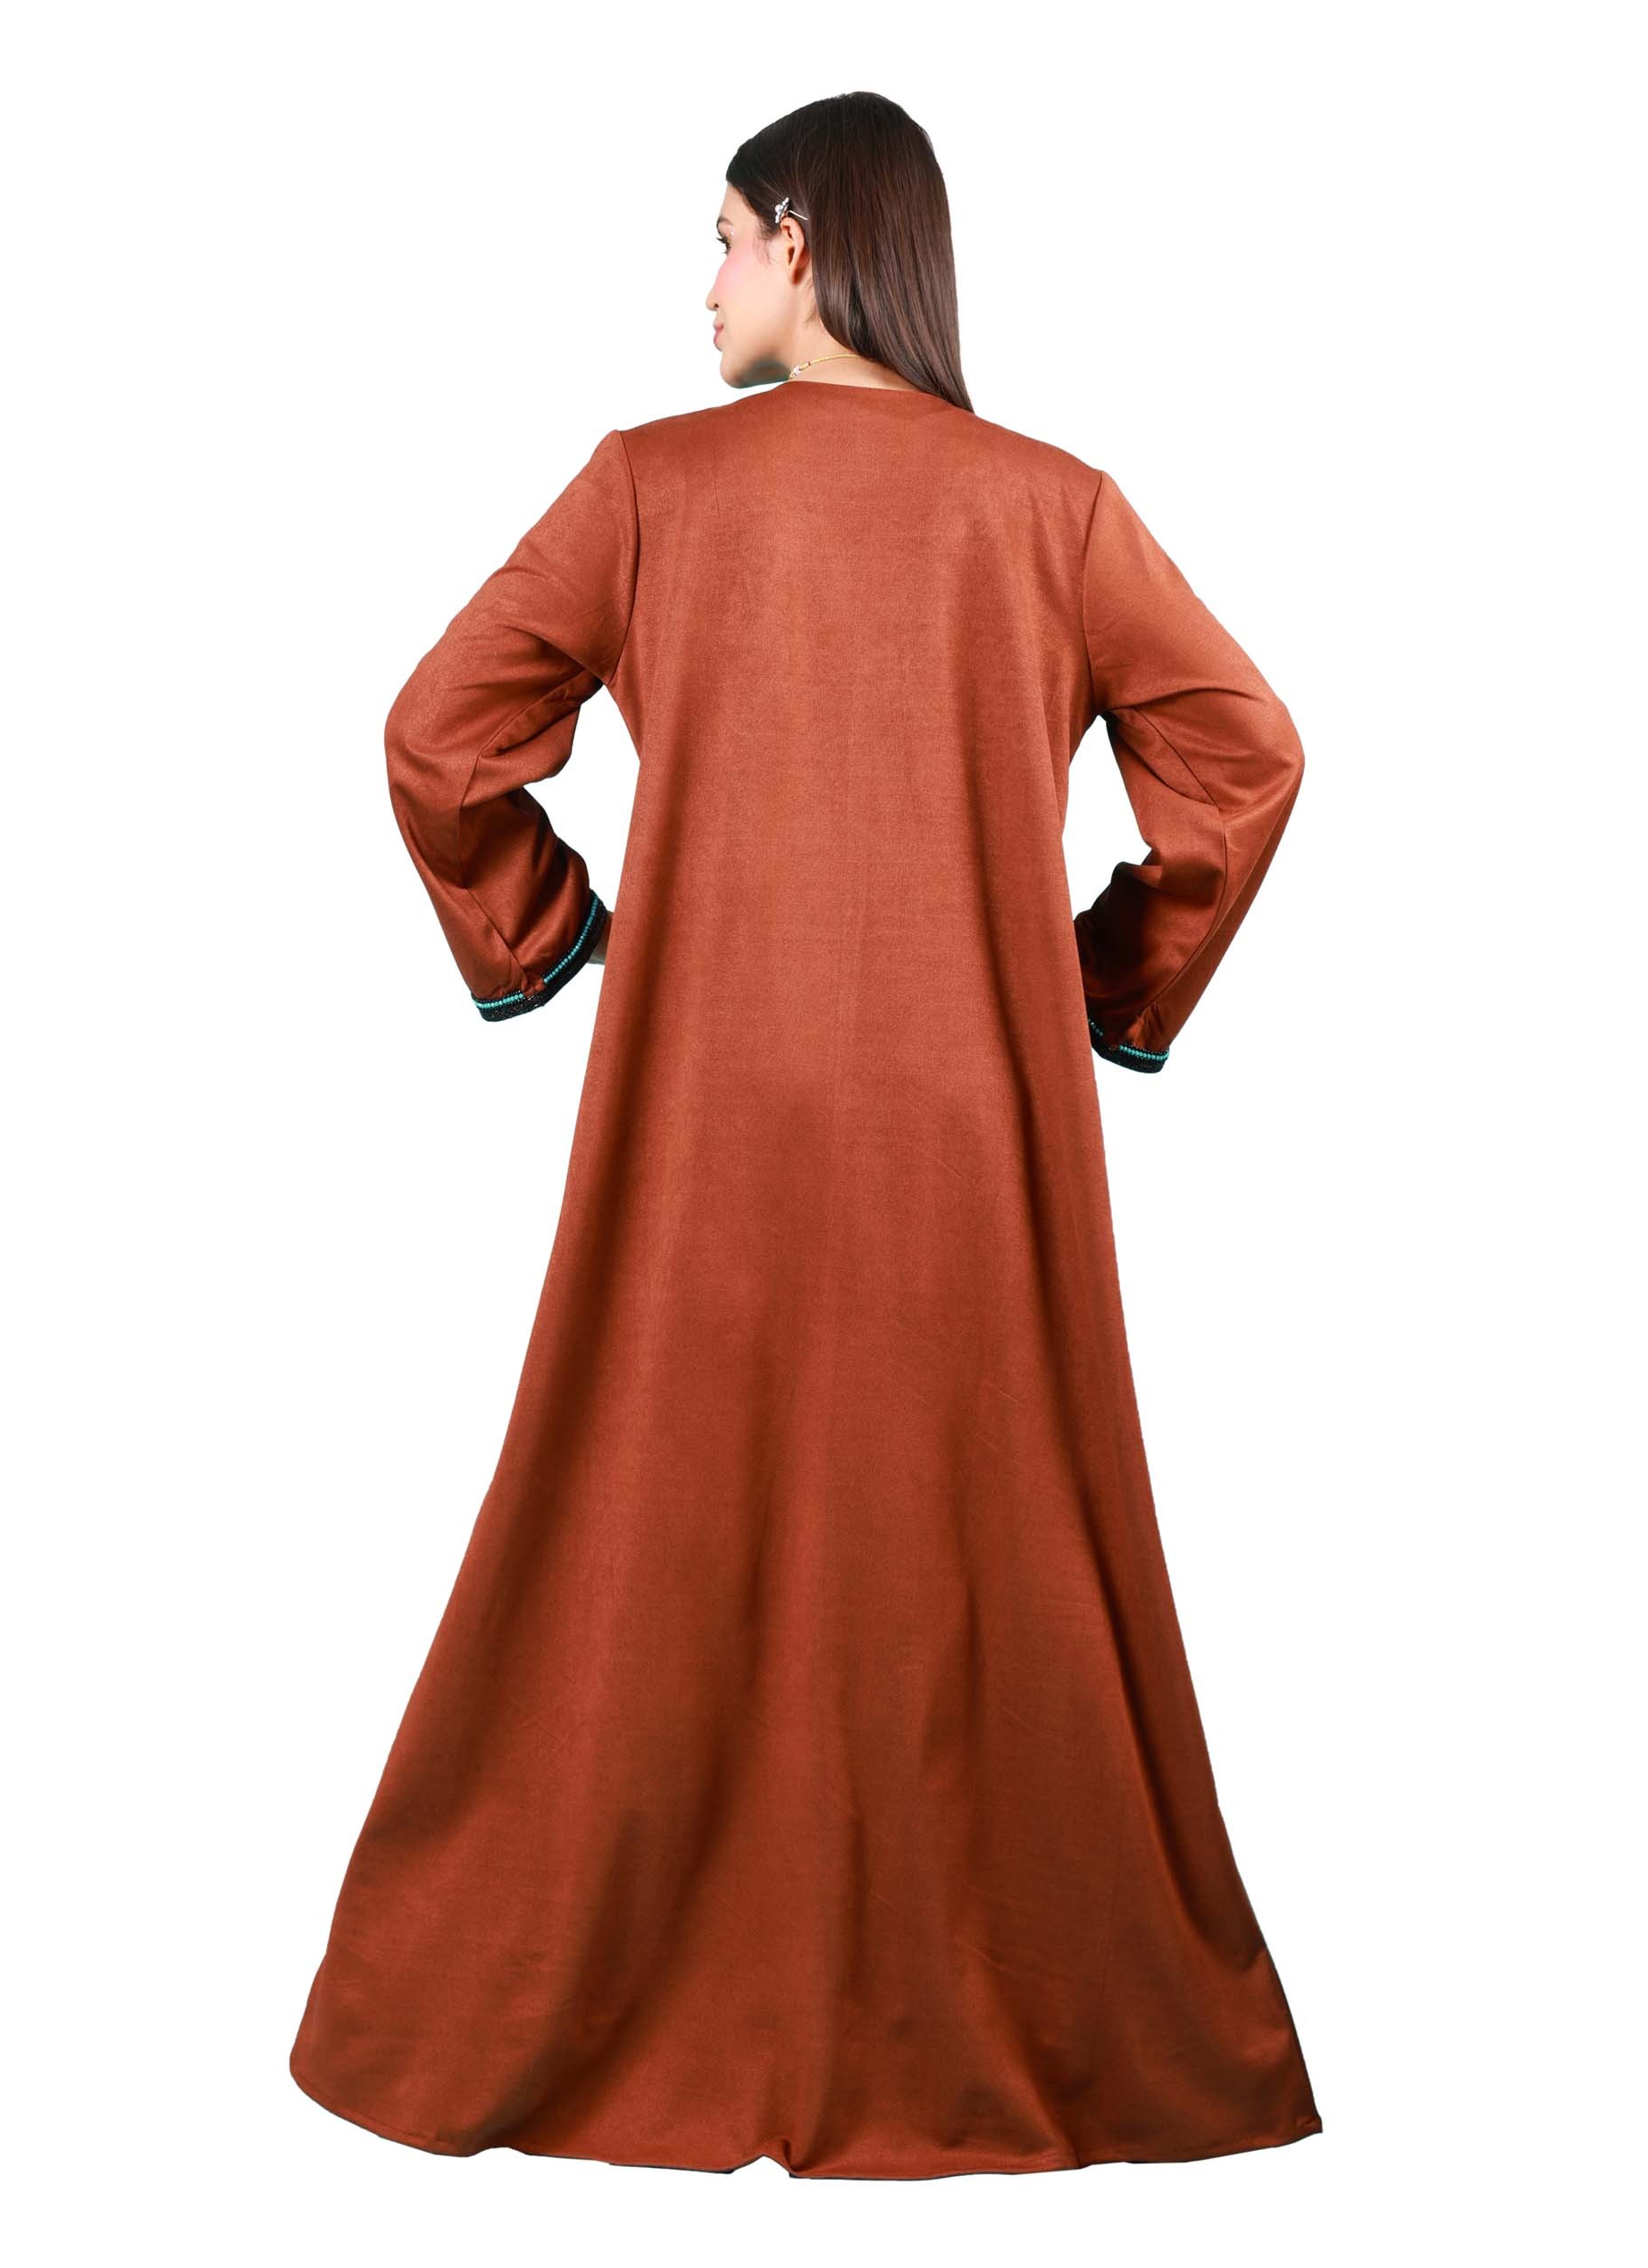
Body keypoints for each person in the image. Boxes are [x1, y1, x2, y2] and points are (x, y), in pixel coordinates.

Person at [290, 90, 1321, 2179]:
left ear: (802, 238)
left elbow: (434, 737)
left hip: (708, 1108)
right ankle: (1000, 2010)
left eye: (719, 241)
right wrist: (1100, 979)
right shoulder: (1051, 511)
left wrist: (552, 925)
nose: (702, 286)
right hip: (971, 1121)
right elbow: (1245, 756)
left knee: (645, 1523)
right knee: (984, 1538)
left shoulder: (649, 490)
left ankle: (566, 1992)